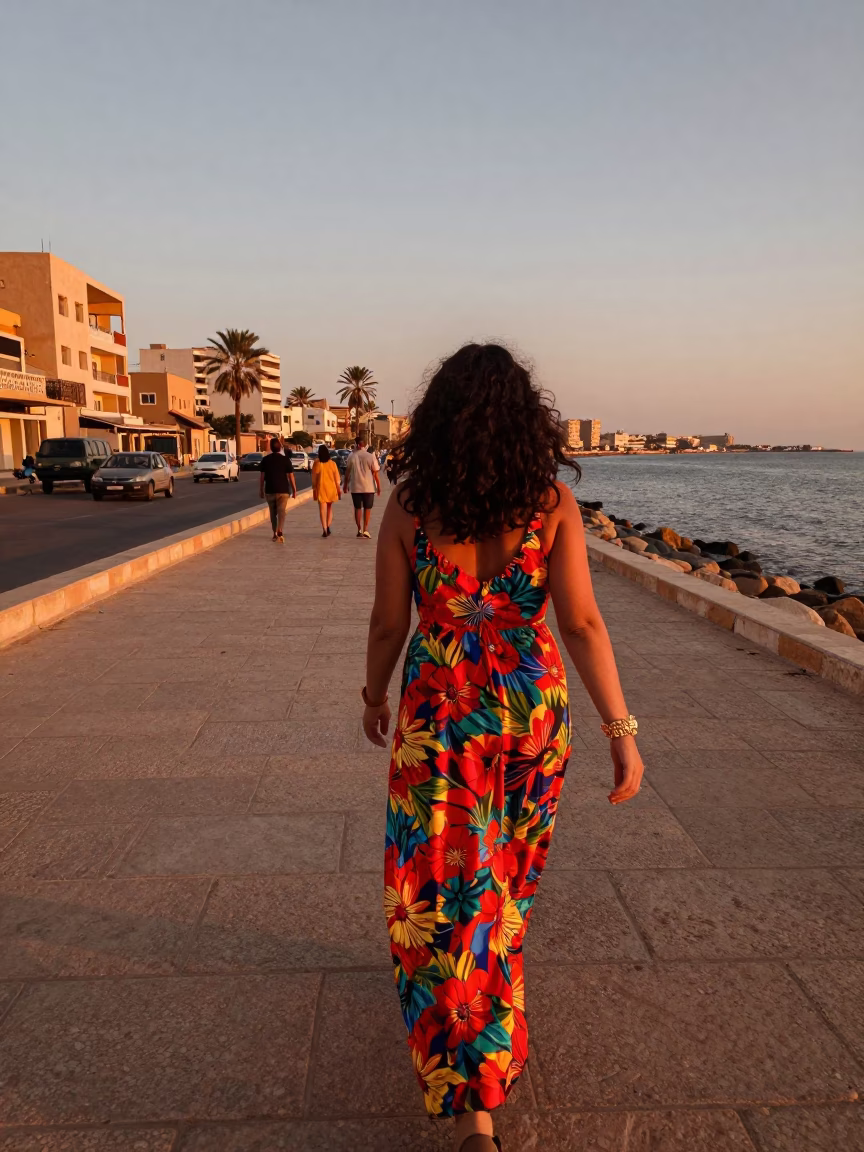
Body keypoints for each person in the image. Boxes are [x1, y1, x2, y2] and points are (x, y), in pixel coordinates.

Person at [360, 344, 644, 1152]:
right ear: (528, 422)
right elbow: (583, 624)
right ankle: (489, 1037)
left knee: (437, 882)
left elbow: (391, 623)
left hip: (440, 713)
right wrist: (621, 733)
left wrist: (372, 692)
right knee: (499, 882)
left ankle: (471, 1095)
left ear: (439, 418)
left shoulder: (411, 506)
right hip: (527, 713)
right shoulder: (550, 502)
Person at [258, 437, 297, 542]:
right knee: (282, 512)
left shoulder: (265, 460)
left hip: (270, 490)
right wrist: (294, 489)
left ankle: (274, 532)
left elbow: (262, 477)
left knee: (272, 512)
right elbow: (291, 476)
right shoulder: (285, 460)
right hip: (283, 490)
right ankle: (280, 529)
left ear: (270, 447)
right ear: (280, 447)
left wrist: (261, 490)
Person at [343, 434, 381, 538]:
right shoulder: (370, 456)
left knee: (357, 508)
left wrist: (345, 485)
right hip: (368, 487)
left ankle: (359, 529)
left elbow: (347, 473)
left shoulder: (351, 456)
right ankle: (366, 529)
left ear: (356, 445)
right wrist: (378, 486)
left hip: (356, 487)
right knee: (367, 508)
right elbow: (375, 473)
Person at [311, 444, 341, 537]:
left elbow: (314, 479)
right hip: (331, 489)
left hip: (321, 489)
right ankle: (328, 527)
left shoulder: (317, 463)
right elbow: (337, 480)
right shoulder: (332, 464)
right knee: (329, 508)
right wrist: (339, 491)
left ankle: (324, 528)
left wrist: (314, 489)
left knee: (322, 510)